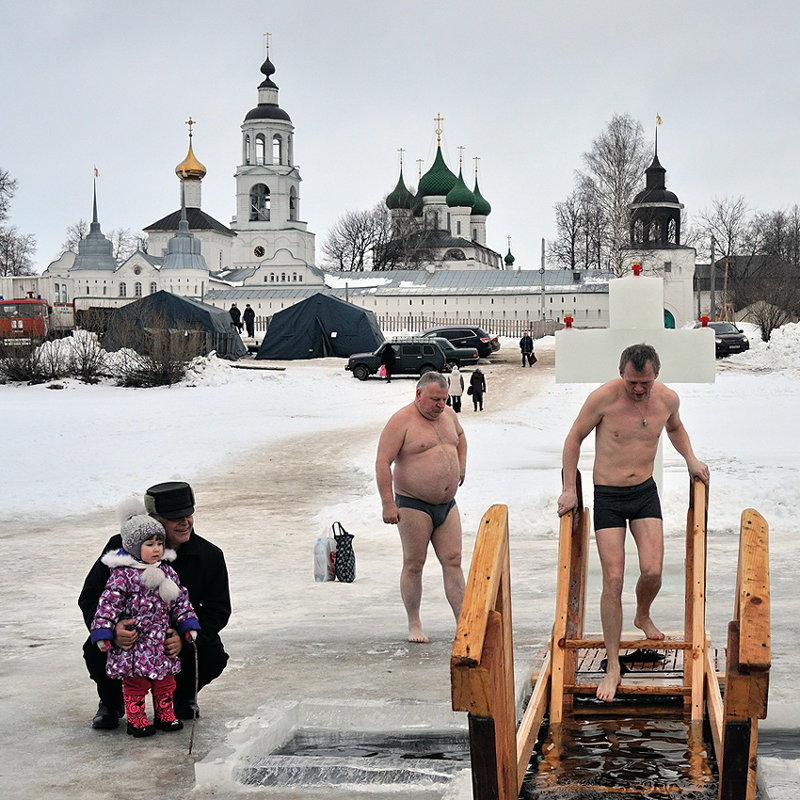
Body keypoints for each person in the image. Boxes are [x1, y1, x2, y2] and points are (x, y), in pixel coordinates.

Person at [556, 343, 709, 703]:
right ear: (621, 373)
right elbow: (573, 439)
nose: (638, 389)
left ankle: (642, 614)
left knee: (653, 571)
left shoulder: (667, 399)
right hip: (608, 494)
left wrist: (691, 459)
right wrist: (568, 489)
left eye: (644, 383)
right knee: (613, 578)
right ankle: (612, 666)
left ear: (655, 374)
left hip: (644, 492)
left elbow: (675, 429)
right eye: (632, 382)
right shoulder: (604, 399)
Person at [79, 481, 231, 729]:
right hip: (131, 639)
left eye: (188, 514)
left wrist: (185, 637)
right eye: (174, 517)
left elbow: (218, 610)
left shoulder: (210, 555)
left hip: (173, 639)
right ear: (155, 520)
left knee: (211, 654)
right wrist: (113, 630)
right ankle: (111, 701)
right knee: (95, 648)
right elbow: (90, 596)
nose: (185, 522)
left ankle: (182, 697)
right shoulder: (120, 547)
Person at [91, 510, 200, 737]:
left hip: (160, 643)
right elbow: (107, 604)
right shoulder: (122, 576)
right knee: (136, 684)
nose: (157, 549)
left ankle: (165, 714)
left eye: (159, 543)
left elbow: (180, 601)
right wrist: (104, 631)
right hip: (135, 645)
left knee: (165, 682)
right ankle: (137, 718)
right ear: (133, 547)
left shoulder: (167, 571)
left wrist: (187, 624)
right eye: (150, 544)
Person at [376, 372, 467, 643]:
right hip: (413, 503)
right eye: (435, 399)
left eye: (444, 399)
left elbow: (460, 439)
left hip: (447, 505)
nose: (440, 405)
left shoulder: (449, 415)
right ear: (419, 395)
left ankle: (464, 625)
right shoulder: (401, 421)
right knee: (414, 563)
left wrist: (461, 465)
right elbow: (383, 462)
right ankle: (414, 623)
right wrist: (387, 503)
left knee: (454, 561)